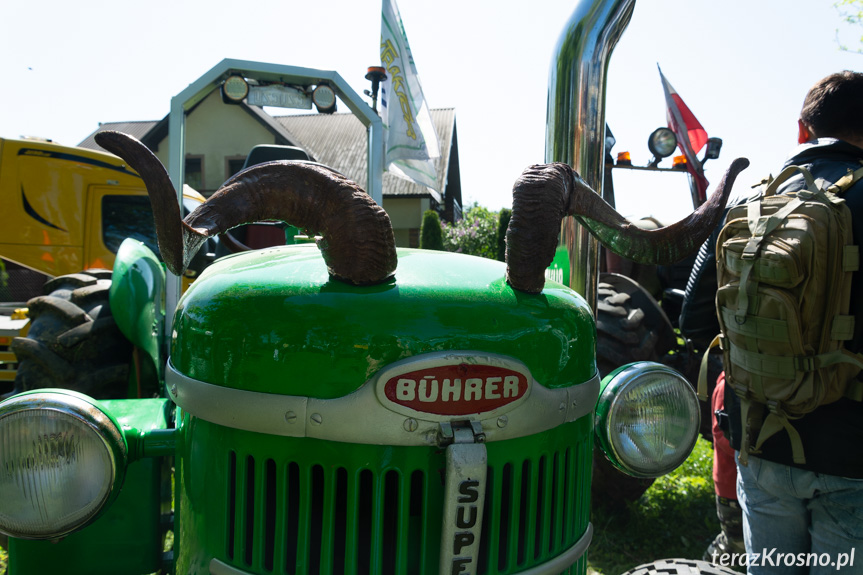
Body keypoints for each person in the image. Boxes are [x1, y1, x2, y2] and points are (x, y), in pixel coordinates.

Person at [726, 70, 863, 574]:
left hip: (762, 444)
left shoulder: (751, 205)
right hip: (853, 458)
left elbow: (696, 317)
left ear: (802, 130)